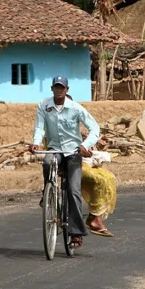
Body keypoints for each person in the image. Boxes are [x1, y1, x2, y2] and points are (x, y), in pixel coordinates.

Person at [29, 76, 103, 247]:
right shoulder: (44, 106)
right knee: (48, 161)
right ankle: (48, 193)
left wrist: (85, 145)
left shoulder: (76, 108)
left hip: (73, 152)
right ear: (51, 88)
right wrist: (36, 142)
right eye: (56, 87)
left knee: (73, 191)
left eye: (62, 87)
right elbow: (40, 127)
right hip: (55, 149)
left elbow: (95, 129)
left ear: (67, 90)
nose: (59, 90)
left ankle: (76, 233)